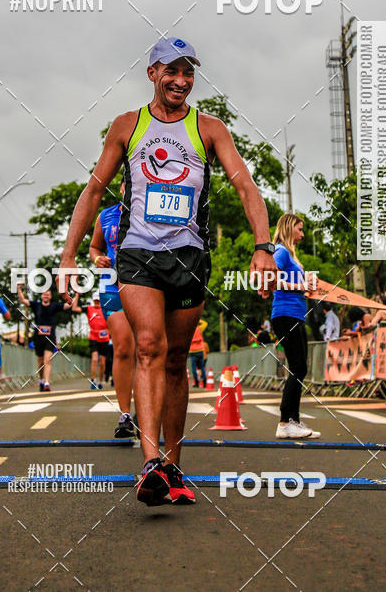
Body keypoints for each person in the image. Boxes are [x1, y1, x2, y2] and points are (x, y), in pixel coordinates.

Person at [58, 37, 276, 506]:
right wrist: (68, 257)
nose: (181, 80)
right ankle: (150, 464)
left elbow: (245, 186)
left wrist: (264, 247)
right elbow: (94, 192)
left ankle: (173, 468)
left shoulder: (209, 128)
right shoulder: (127, 126)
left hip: (190, 256)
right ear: (152, 73)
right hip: (138, 254)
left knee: (177, 359)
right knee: (150, 346)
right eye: (171, 71)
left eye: (188, 72)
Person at [88, 186, 137, 437]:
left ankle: (146, 409)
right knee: (124, 346)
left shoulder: (151, 212)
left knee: (147, 348)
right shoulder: (106, 216)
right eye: (125, 184)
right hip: (112, 286)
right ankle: (125, 414)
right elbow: (94, 247)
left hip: (145, 286)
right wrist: (97, 259)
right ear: (120, 188)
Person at [271, 213, 321, 440]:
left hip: (295, 315)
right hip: (286, 314)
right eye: (300, 230)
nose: (302, 234)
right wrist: (300, 285)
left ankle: (292, 420)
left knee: (300, 368)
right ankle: (285, 422)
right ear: (290, 228)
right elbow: (271, 279)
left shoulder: (290, 254)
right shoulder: (280, 251)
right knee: (298, 367)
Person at [17, 283, 70, 392]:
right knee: (40, 361)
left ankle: (46, 383)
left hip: (50, 337)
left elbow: (68, 305)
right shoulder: (36, 305)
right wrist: (18, 288)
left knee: (47, 360)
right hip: (38, 338)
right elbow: (23, 300)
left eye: (48, 294)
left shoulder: (54, 306)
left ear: (50, 296)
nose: (46, 296)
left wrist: (76, 294)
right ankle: (41, 379)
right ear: (41, 296)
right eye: (44, 294)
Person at [72, 290, 111, 390]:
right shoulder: (89, 308)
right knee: (94, 359)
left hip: (104, 338)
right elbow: (74, 308)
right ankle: (93, 380)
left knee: (102, 362)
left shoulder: (106, 309)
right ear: (93, 300)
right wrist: (77, 295)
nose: (97, 302)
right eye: (95, 300)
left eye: (98, 300)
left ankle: (100, 380)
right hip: (93, 337)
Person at [189, 317, 207, 387]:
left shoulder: (189, 330)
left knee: (194, 368)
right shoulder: (199, 328)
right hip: (200, 351)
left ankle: (196, 383)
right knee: (202, 367)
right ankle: (204, 382)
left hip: (192, 351)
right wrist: (197, 319)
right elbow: (205, 323)